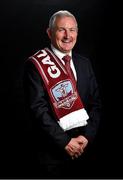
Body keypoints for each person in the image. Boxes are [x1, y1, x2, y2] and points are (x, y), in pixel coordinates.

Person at [23, 10, 102, 178]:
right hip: (51, 156)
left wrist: (86, 137)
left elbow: (96, 104)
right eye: (61, 30)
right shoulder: (36, 65)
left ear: (77, 32)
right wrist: (65, 142)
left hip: (85, 150)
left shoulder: (84, 63)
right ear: (49, 32)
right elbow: (38, 110)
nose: (68, 36)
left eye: (72, 30)